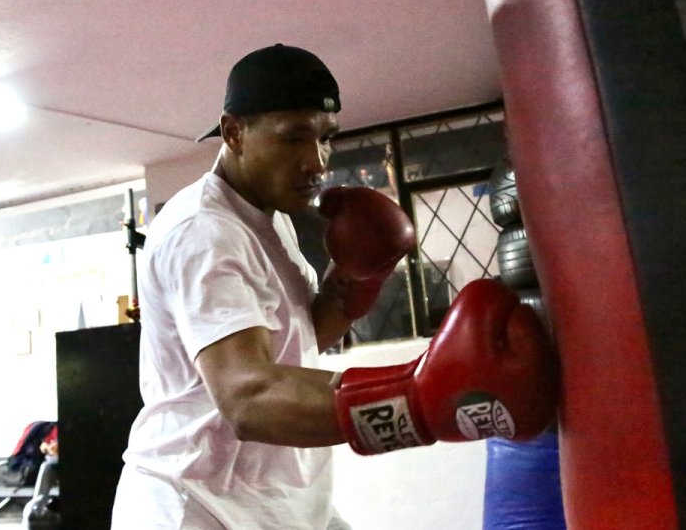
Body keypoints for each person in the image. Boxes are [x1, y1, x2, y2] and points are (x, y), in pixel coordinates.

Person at [110, 44, 557, 529]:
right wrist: (417, 396)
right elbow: (248, 398)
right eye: (294, 138)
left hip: (277, 500)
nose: (317, 162)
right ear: (234, 132)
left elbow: (296, 342)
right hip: (194, 504)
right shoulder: (203, 232)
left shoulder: (267, 221)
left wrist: (354, 278)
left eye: (326, 138)